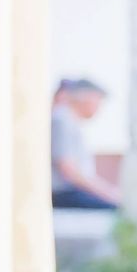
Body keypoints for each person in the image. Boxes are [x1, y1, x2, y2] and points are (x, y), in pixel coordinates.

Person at [49, 79, 120, 209]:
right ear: (86, 98)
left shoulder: (70, 121)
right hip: (65, 193)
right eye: (98, 101)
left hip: (73, 191)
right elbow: (68, 169)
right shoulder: (62, 121)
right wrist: (108, 193)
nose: (99, 108)